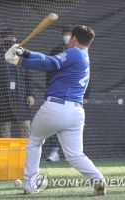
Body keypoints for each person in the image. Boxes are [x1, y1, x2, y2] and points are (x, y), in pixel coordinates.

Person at [5, 25, 106, 195]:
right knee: (75, 155)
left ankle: (30, 185)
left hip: (56, 107)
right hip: (76, 112)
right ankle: (99, 181)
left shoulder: (74, 52)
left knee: (34, 142)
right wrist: (24, 53)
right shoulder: (83, 55)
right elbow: (47, 58)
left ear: (73, 38)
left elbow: (48, 64)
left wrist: (18, 61)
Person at [45, 25, 91, 162]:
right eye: (65, 34)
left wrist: (86, 95)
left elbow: (85, 74)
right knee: (52, 126)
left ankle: (72, 154)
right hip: (57, 96)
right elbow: (49, 70)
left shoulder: (80, 52)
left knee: (71, 132)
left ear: (75, 38)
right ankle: (55, 151)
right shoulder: (57, 50)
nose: (68, 37)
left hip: (75, 98)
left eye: (69, 34)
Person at [0, 28, 35, 138]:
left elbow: (28, 77)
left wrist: (30, 94)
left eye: (12, 38)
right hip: (2, 97)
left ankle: (27, 154)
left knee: (26, 126)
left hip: (20, 96)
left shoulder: (21, 55)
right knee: (4, 128)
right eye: (7, 38)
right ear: (2, 39)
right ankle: (6, 154)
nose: (10, 40)